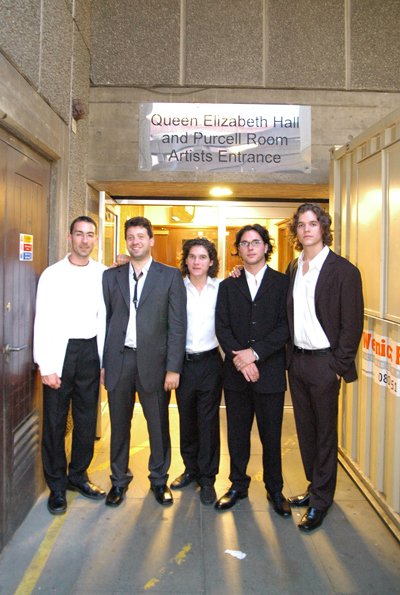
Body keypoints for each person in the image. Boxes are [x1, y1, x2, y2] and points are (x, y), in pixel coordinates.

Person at [286, 203, 364, 532]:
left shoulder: (343, 271)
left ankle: (321, 500)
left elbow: (352, 324)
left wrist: (337, 366)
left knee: (325, 434)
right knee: (305, 431)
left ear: (323, 228)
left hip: (324, 363)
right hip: (297, 361)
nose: (306, 229)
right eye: (301, 224)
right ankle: (313, 486)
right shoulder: (294, 266)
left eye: (313, 224)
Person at [101, 216, 186, 506]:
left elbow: (177, 325)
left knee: (158, 425)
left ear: (151, 240)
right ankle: (118, 481)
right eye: (131, 237)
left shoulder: (170, 276)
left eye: (141, 236)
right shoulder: (111, 276)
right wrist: (105, 363)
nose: (135, 241)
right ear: (126, 241)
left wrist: (173, 367)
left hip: (156, 364)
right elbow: (107, 321)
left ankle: (159, 480)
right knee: (119, 425)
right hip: (120, 360)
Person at [214, 224, 291, 517]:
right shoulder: (227, 285)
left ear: (266, 247)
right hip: (236, 376)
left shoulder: (283, 283)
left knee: (271, 436)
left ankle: (275, 489)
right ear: (238, 249)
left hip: (269, 373)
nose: (250, 247)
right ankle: (237, 485)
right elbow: (221, 326)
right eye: (244, 243)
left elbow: (285, 326)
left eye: (255, 242)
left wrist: (255, 354)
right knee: (237, 434)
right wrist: (241, 360)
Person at [33, 216, 107, 515]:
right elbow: (42, 320)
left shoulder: (103, 273)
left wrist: (104, 363)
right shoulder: (52, 275)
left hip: (90, 352)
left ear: (95, 239)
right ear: (69, 237)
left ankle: (78, 475)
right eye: (79, 234)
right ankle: (57, 486)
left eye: (90, 235)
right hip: (60, 354)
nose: (85, 240)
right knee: (54, 421)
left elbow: (106, 318)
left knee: (87, 419)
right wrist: (46, 365)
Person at [170, 238, 223, 505]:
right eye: (192, 256)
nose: (197, 262)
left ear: (211, 261)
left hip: (211, 362)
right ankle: (190, 469)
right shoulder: (176, 288)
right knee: (187, 419)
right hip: (184, 364)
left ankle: (208, 478)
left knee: (208, 422)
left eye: (202, 257)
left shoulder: (221, 288)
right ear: (186, 260)